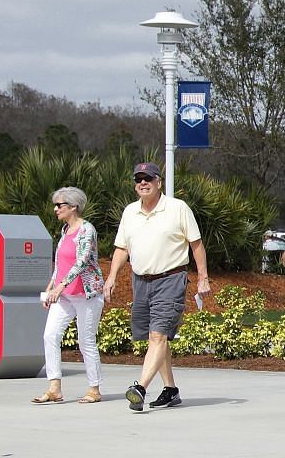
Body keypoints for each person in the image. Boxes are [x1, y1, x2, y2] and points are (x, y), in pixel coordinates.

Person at [101, 162, 210, 411]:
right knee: (155, 338)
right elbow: (121, 248)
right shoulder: (130, 212)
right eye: (138, 179)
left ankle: (140, 387)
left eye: (148, 178)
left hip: (170, 279)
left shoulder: (177, 208)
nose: (143, 183)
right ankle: (170, 390)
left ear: (158, 182)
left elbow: (196, 245)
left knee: (158, 335)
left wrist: (203, 277)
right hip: (141, 281)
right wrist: (112, 277)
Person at [32, 186, 106, 404]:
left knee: (86, 342)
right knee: (50, 336)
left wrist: (59, 287)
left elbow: (82, 262)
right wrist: (51, 287)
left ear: (73, 207)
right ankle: (54, 387)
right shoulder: (65, 231)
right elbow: (60, 264)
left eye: (59, 205)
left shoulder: (86, 230)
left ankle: (94, 389)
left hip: (87, 293)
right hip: (64, 295)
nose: (55, 209)